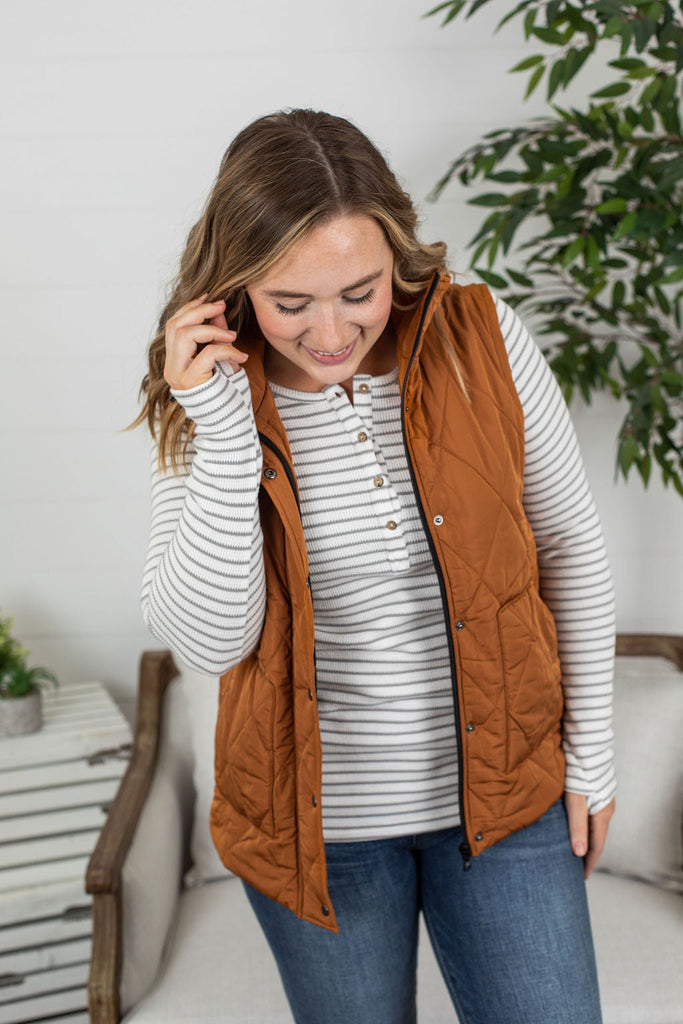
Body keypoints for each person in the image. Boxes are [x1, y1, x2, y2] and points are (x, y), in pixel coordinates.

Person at [137, 108, 616, 1024]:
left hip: (507, 800)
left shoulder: (481, 336)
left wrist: (591, 759)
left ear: (396, 252)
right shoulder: (205, 392)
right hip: (316, 832)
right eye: (290, 304)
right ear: (235, 286)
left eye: (358, 291)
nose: (330, 333)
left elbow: (568, 545)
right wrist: (225, 431)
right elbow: (211, 641)